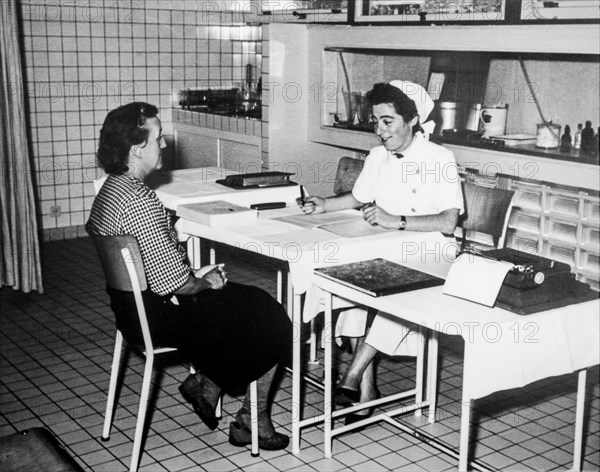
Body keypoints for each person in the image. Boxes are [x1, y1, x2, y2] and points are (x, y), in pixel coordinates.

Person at [86, 102, 292, 450]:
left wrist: (195, 274)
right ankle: (248, 419)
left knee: (245, 302)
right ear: (137, 148)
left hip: (131, 312)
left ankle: (208, 386)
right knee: (268, 313)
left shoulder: (110, 189)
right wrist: (203, 280)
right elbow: (175, 284)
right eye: (158, 138)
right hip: (160, 317)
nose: (164, 144)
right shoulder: (140, 199)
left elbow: (153, 266)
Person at [298, 81, 464, 423]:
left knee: (394, 292)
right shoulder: (377, 157)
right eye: (375, 122)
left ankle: (353, 376)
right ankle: (368, 392)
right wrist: (323, 204)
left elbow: (448, 221)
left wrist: (396, 220)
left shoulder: (440, 159)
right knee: (350, 282)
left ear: (413, 120)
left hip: (434, 250)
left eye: (387, 121)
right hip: (387, 247)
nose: (379, 130)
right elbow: (358, 197)